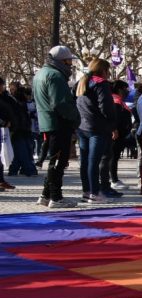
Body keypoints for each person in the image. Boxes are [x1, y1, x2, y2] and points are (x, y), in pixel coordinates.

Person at [33, 46, 81, 208]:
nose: (70, 64)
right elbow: (60, 103)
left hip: (48, 122)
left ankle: (45, 195)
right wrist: (74, 118)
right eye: (68, 61)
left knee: (54, 159)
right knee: (59, 162)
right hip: (59, 123)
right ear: (61, 61)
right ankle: (56, 197)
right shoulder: (55, 76)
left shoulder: (41, 73)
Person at [76, 58, 117, 204]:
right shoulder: (101, 84)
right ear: (103, 70)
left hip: (82, 126)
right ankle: (94, 192)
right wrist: (112, 124)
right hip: (97, 127)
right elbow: (106, 106)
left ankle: (87, 191)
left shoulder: (82, 82)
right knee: (94, 162)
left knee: (85, 161)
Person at [6, 85, 37, 177]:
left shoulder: (16, 102)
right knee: (23, 150)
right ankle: (28, 169)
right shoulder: (19, 103)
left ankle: (16, 169)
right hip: (21, 129)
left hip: (20, 129)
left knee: (22, 150)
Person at [109, 80, 133, 191]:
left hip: (121, 134)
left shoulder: (119, 100)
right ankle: (113, 179)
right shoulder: (115, 100)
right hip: (116, 135)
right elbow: (117, 118)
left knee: (115, 157)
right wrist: (116, 130)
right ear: (119, 89)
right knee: (113, 157)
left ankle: (114, 179)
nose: (127, 91)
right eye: (125, 88)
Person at [0, 78, 17, 191]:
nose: (3, 87)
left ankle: (1, 180)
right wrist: (4, 122)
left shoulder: (4, 97)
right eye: (2, 85)